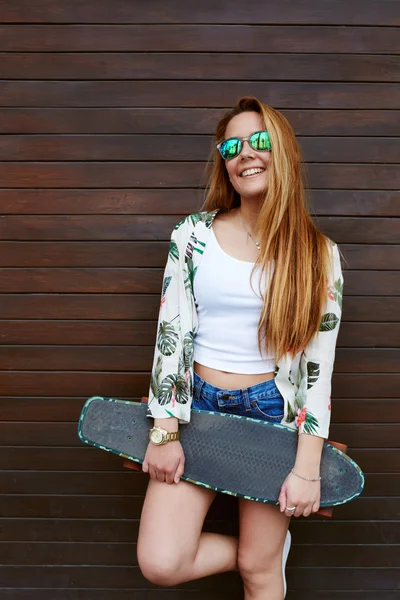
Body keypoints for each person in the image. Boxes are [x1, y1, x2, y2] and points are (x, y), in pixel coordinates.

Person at [137, 96, 344, 599]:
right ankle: (266, 554)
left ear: (284, 153)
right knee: (161, 562)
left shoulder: (318, 255)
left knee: (259, 574)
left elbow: (319, 370)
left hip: (270, 417)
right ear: (223, 162)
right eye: (231, 145)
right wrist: (164, 430)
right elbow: (171, 334)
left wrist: (306, 468)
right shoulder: (192, 235)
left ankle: (263, 561)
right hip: (196, 410)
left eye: (259, 141)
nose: (244, 153)